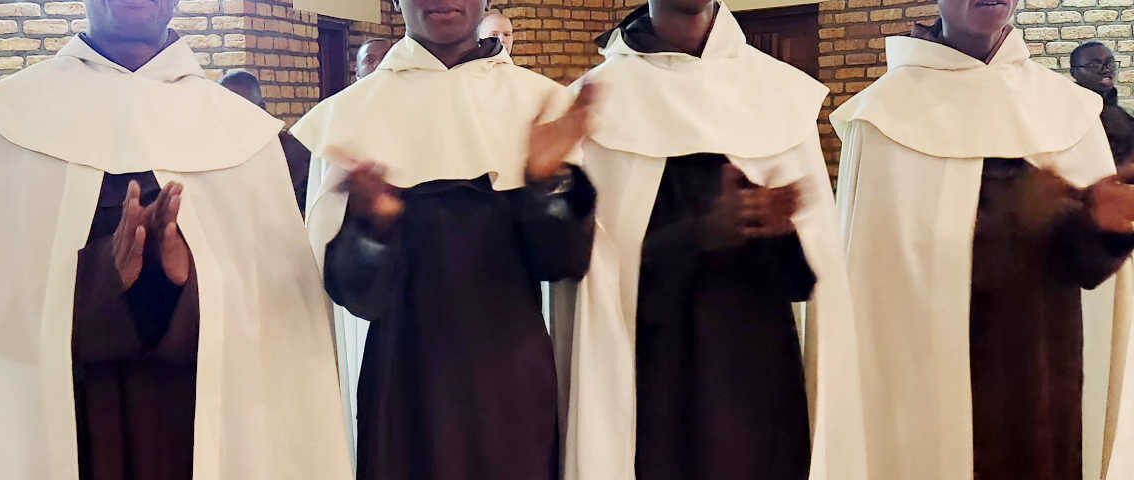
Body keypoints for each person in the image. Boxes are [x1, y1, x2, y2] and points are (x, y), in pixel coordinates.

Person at [0, 1, 354, 479]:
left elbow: (282, 327)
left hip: (198, 428)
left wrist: (182, 281)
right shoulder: (5, 126)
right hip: (69, 427)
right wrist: (100, 277)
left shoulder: (244, 137)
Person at [556, 1, 864, 479]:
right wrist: (702, 233)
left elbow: (808, 283)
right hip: (657, 388)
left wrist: (783, 233)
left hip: (762, 383)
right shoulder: (600, 102)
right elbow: (601, 279)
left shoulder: (775, 93)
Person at [289, 0, 597, 476]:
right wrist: (374, 228)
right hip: (402, 391)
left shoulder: (540, 106)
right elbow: (353, 297)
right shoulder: (349, 116)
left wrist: (545, 184)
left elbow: (564, 263)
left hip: (513, 387)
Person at [832, 1, 1134, 478]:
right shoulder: (882, 118)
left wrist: (1101, 229)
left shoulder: (1068, 109)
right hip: (927, 388)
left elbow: (1088, 278)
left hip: (1043, 379)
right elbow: (872, 288)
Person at [219, 70, 311, 215]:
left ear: (262, 109)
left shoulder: (290, 150)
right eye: (227, 110)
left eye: (244, 110)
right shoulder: (214, 153)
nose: (235, 118)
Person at [1072, 42, 1134, 167]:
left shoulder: (1117, 110)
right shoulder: (1072, 112)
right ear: (1074, 73)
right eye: (1094, 65)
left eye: (1110, 63)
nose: (1106, 69)